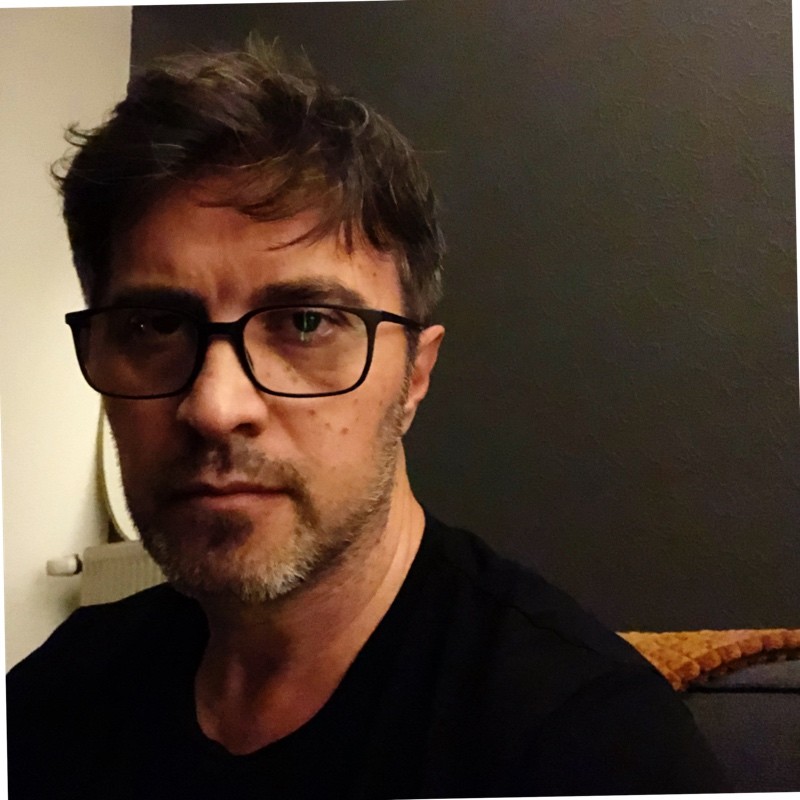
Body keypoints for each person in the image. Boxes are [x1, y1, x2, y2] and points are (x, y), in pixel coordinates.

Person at [6, 42, 728, 799]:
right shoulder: (55, 700)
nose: (216, 408)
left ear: (414, 375)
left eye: (306, 323)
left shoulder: (589, 747)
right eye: (154, 326)